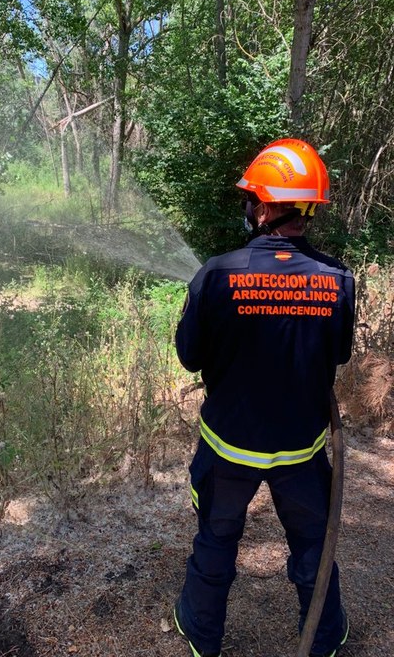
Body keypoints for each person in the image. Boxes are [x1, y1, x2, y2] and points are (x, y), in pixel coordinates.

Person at [173, 138, 355, 657]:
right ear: (305, 209)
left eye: (252, 197)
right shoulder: (338, 280)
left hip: (228, 447)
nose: (248, 206)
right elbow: (338, 356)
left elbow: (189, 357)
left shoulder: (216, 274)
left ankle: (201, 633)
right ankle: (323, 636)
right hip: (300, 450)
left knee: (216, 539)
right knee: (313, 548)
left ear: (267, 206)